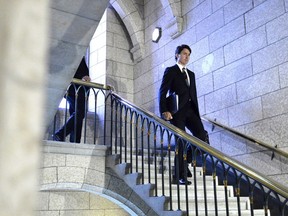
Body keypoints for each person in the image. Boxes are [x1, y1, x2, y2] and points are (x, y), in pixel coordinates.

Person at [159, 44, 209, 185]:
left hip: (191, 110)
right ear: (177, 55)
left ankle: (185, 160)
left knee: (201, 137)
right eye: (184, 53)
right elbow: (162, 91)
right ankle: (179, 175)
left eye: (189, 54)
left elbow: (193, 95)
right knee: (181, 141)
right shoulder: (171, 71)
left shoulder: (191, 74)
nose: (187, 56)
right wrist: (164, 111)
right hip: (177, 112)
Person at [53, 56, 91, 143]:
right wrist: (84, 77)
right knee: (80, 113)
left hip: (79, 90)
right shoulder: (74, 54)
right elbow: (71, 70)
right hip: (74, 89)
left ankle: (74, 141)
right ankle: (60, 134)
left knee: (77, 115)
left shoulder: (80, 56)